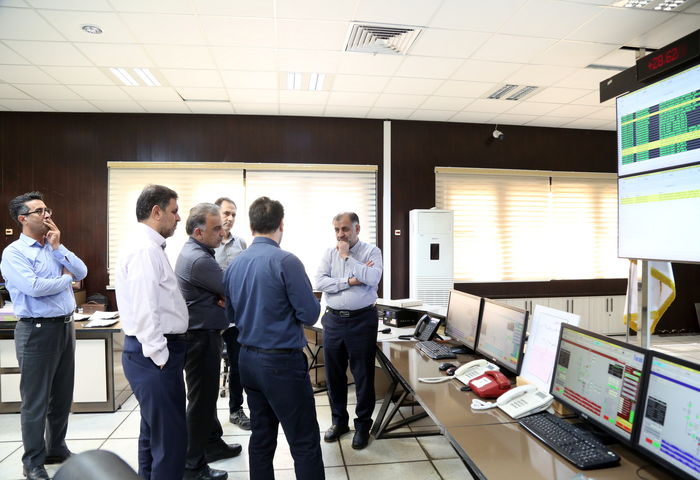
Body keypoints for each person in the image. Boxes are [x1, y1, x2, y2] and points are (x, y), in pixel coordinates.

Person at [224, 196, 324, 480]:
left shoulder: (235, 265)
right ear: (281, 224)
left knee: (262, 436)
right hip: (281, 364)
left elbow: (230, 314)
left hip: (247, 361)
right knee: (304, 441)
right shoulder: (287, 262)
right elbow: (310, 314)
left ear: (251, 226)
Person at [0, 192, 87, 480]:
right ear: (22, 219)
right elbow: (35, 287)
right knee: (36, 401)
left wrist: (59, 247)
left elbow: (82, 270)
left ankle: (56, 449)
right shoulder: (14, 253)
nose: (47, 214)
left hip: (64, 327)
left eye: (47, 209)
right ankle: (32, 462)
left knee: (61, 396)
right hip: (35, 331)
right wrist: (66, 280)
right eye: (39, 211)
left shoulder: (53, 246)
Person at [115, 184, 188, 480]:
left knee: (153, 435)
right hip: (154, 356)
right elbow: (146, 309)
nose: (178, 217)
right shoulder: (145, 249)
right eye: (174, 211)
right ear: (156, 212)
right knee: (170, 441)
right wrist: (161, 357)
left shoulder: (148, 245)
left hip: (152, 354)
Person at [175, 203, 242, 480]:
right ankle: (193, 466)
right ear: (199, 232)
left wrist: (221, 297)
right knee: (201, 402)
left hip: (203, 334)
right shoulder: (199, 260)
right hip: (200, 338)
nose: (222, 232)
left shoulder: (200, 252)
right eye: (216, 229)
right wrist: (224, 296)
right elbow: (232, 288)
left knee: (206, 398)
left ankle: (212, 444)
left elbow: (224, 290)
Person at [315, 212, 383, 450]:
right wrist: (352, 280)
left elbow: (373, 278)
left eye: (345, 229)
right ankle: (339, 422)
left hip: (362, 320)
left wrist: (348, 258)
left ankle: (363, 426)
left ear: (357, 228)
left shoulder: (371, 252)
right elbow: (319, 282)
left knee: (363, 375)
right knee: (334, 375)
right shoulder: (328, 253)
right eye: (336, 229)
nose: (340, 234)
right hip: (333, 320)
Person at [213, 197, 250, 430]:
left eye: (233, 214)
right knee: (208, 368)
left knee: (238, 366)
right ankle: (208, 419)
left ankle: (236, 410)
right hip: (213, 315)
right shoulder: (207, 242)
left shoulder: (241, 243)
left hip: (235, 317)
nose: (230, 218)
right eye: (226, 213)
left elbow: (245, 275)